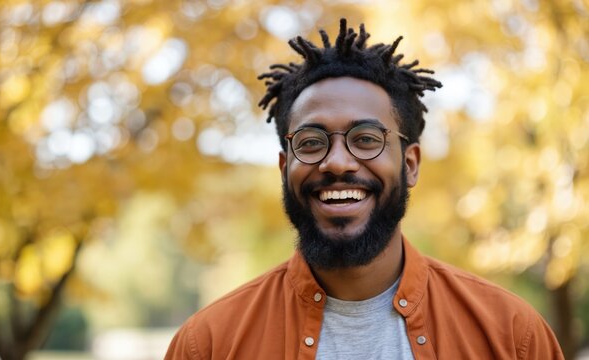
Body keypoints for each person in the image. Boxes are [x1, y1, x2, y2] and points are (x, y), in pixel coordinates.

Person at [165, 18, 563, 359]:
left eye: (367, 138)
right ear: (285, 168)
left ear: (410, 164)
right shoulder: (209, 345)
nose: (337, 162)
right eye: (310, 142)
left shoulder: (512, 336)